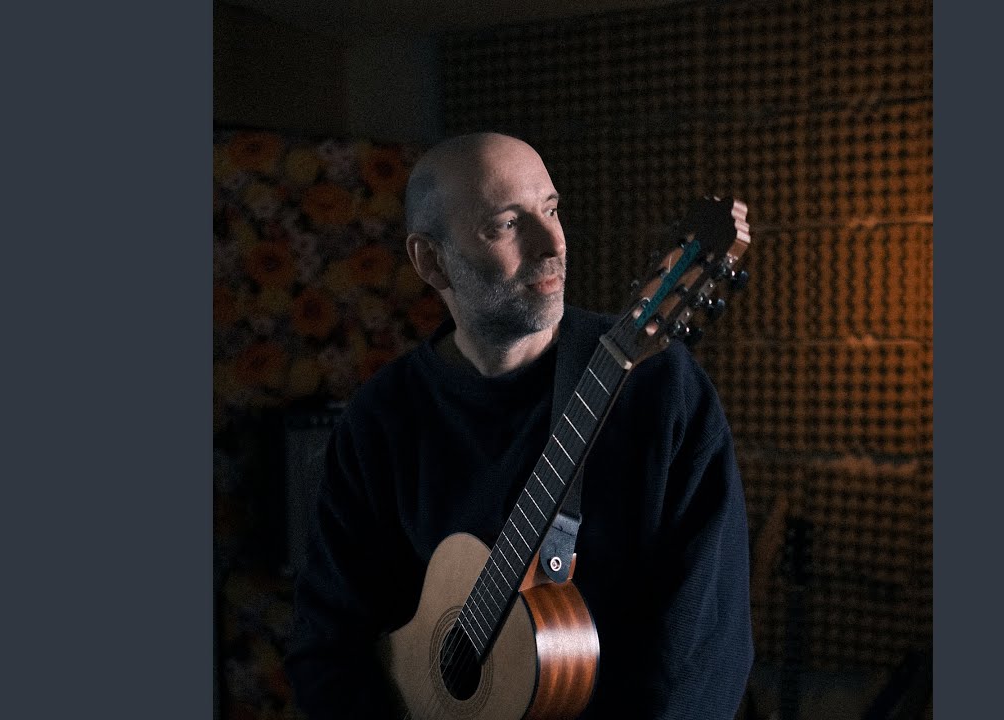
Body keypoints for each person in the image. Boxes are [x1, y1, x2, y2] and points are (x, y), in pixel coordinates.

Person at [285, 132, 753, 718]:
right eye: (506, 224)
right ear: (431, 260)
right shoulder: (382, 419)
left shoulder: (661, 390)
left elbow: (705, 651)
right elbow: (326, 644)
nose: (552, 243)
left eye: (551, 210)